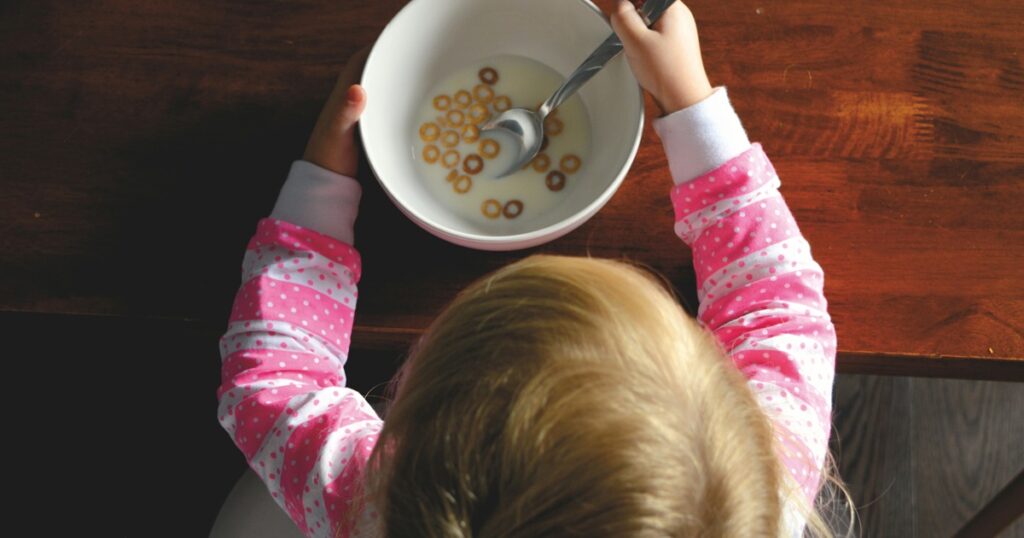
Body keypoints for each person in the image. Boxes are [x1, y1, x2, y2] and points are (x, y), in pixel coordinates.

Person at [214, 1, 851, 536]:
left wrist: (321, 182)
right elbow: (776, 305)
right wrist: (690, 103)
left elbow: (272, 382)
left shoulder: (374, 502)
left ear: (414, 431)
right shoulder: (762, 487)